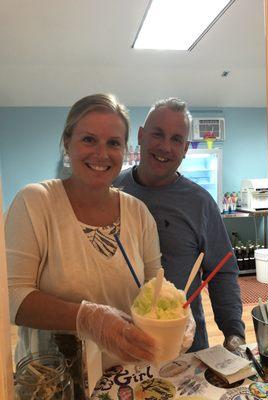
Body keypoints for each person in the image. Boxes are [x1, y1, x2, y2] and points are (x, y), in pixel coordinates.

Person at [5, 93, 164, 384]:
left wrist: (176, 317)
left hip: (128, 376)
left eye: (113, 143)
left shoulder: (138, 213)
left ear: (125, 151)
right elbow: (13, 299)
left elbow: (156, 289)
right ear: (67, 143)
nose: (101, 153)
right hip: (56, 381)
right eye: (89, 139)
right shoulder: (35, 202)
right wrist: (87, 318)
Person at [114, 97, 246, 352]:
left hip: (185, 349)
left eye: (176, 139)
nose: (165, 146)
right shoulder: (111, 190)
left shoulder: (200, 203)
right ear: (140, 135)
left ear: (185, 149)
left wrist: (233, 332)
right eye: (157, 134)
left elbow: (222, 272)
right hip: (120, 346)